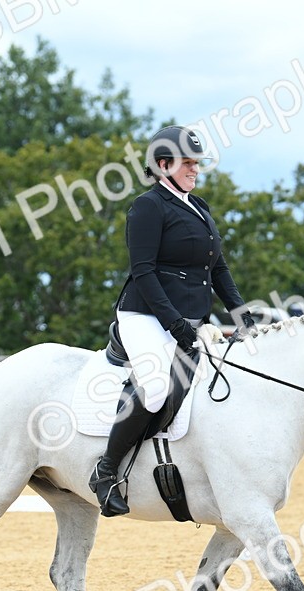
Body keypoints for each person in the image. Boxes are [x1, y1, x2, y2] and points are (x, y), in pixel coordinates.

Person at [89, 125, 256, 517]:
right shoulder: (147, 206)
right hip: (145, 314)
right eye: (188, 163)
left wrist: (241, 313)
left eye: (197, 163)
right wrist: (176, 325)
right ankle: (106, 470)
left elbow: (219, 268)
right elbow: (143, 272)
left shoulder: (199, 206)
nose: (195, 170)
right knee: (155, 387)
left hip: (191, 316)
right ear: (163, 165)